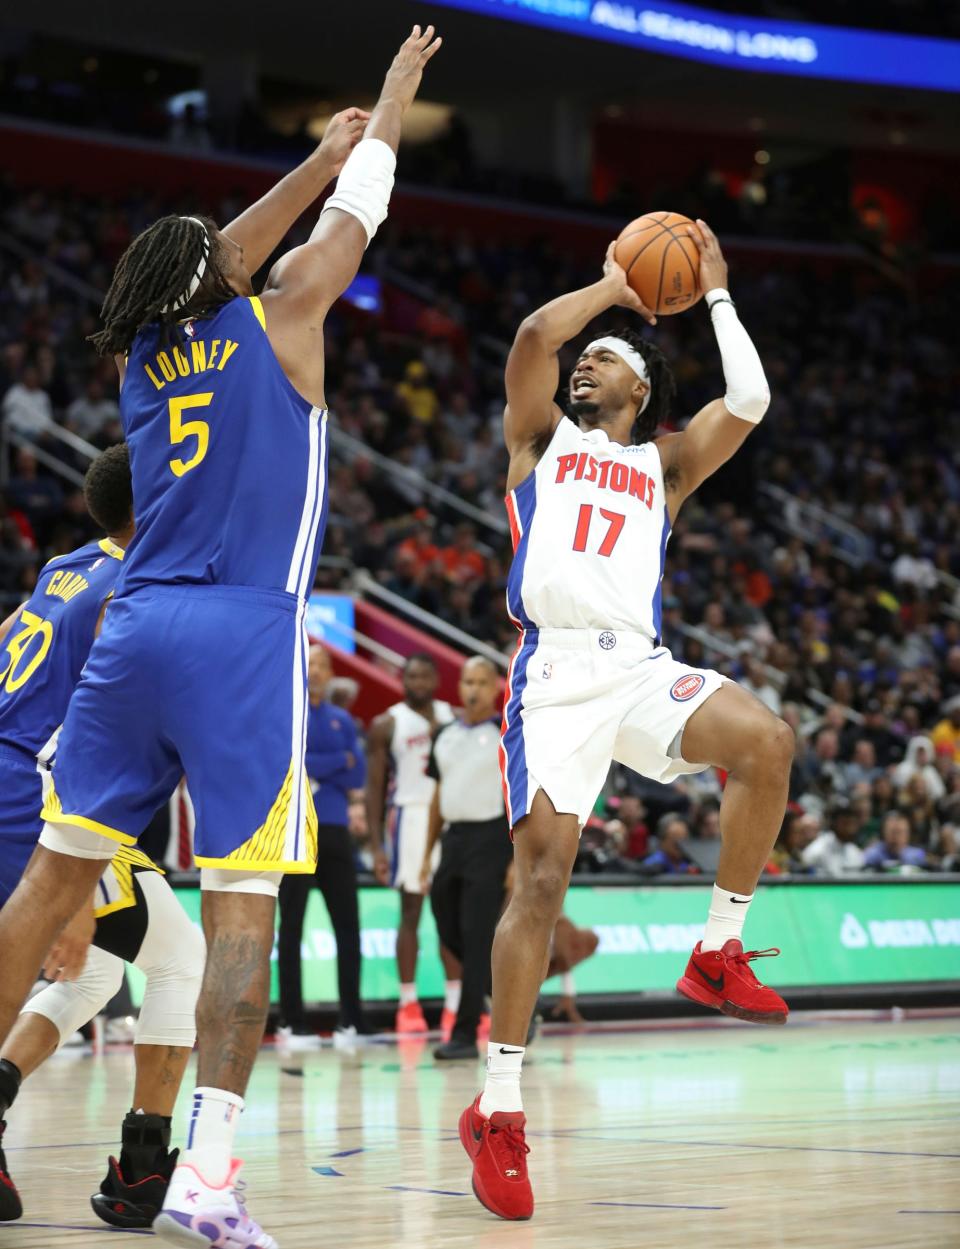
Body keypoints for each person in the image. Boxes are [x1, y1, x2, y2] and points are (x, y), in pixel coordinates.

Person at [0, 27, 441, 1249]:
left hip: (134, 624)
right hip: (241, 634)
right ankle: (207, 1173)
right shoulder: (292, 311)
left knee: (49, 886)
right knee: (241, 909)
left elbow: (217, 255)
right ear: (231, 274)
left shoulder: (146, 351)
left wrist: (308, 155)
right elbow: (362, 216)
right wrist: (385, 110)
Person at [460, 220, 794, 1220]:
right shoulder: (538, 441)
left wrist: (719, 293)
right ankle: (501, 1109)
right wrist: (610, 289)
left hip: (638, 670)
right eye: (583, 364)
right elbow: (529, 338)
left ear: (639, 388)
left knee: (768, 741)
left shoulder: (666, 465)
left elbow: (751, 400)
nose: (581, 373)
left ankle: (716, 951)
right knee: (542, 881)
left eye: (601, 362)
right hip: (553, 678)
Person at [0, 447, 205, 1228]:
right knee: (181, 959)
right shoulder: (138, 587)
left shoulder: (65, 565)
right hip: (48, 788)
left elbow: (10, 639)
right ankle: (142, 1172)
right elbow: (86, 723)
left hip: (16, 769)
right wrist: (76, 889)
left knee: (91, 978)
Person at [277, 644, 369, 1049]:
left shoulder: (343, 719)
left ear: (332, 673)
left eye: (323, 664)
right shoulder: (288, 712)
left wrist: (326, 765)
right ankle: (291, 1023)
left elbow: (359, 773)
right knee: (291, 928)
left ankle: (352, 1021)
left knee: (348, 927)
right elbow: (295, 765)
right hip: (296, 830)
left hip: (335, 830)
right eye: (311, 663)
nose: (317, 670)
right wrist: (337, 762)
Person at [419, 657, 510, 1061]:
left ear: (495, 687)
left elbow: (516, 799)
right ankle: (511, 1001)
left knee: (475, 939)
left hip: (491, 839)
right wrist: (425, 853)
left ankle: (464, 1034)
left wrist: (515, 860)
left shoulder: (506, 735)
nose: (472, 689)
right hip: (453, 840)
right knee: (447, 925)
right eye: (467, 681)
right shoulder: (445, 734)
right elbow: (439, 795)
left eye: (480, 682)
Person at [366, 652, 460, 1034]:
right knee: (411, 911)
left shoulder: (452, 717)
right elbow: (374, 790)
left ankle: (457, 1005)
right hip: (409, 815)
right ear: (403, 679)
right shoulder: (387, 723)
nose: (417, 683)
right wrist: (375, 847)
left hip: (450, 816)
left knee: (451, 913)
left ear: (436, 680)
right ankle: (408, 1004)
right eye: (411, 676)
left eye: (425, 676)